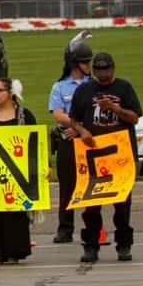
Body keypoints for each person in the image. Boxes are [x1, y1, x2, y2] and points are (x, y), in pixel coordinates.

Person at [63, 52, 142, 263]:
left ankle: (124, 245)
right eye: (98, 71)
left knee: (122, 205)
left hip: (120, 155)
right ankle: (91, 246)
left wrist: (115, 108)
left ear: (113, 69)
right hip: (94, 156)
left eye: (106, 71)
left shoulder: (124, 88)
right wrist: (82, 131)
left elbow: (134, 117)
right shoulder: (84, 90)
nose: (103, 75)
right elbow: (73, 119)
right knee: (91, 206)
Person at [0, 78, 38, 265]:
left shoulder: (24, 116)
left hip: (16, 173)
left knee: (14, 213)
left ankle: (14, 251)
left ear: (10, 93)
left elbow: (34, 143)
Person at [48, 34, 93, 244]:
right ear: (75, 64)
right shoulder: (60, 87)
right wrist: (76, 126)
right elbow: (57, 114)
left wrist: (80, 129)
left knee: (92, 184)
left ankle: (92, 227)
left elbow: (95, 111)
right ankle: (65, 229)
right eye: (85, 62)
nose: (89, 65)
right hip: (67, 140)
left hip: (88, 139)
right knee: (67, 186)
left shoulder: (92, 84)